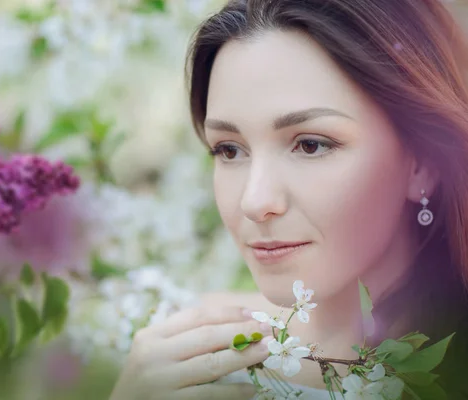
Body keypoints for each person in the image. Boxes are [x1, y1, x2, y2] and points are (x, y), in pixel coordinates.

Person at [109, 0, 468, 398]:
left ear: (423, 163)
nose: (254, 201)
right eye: (229, 150)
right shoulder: (187, 356)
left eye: (311, 145)